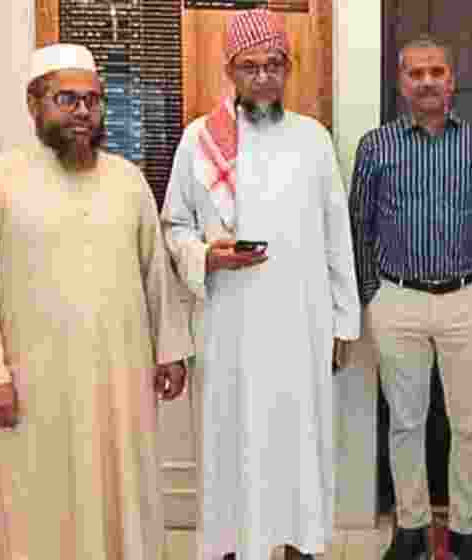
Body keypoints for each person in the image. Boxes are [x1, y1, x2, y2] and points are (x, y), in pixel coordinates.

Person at [0, 43, 193, 560]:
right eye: (67, 99)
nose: (83, 112)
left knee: (124, 495)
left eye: (93, 100)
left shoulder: (128, 182)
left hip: (120, 382)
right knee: (38, 502)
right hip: (31, 387)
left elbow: (156, 275)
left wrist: (170, 348)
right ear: (35, 104)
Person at [160, 8, 360, 560]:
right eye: (251, 67)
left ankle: (296, 545)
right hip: (231, 327)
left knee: (299, 443)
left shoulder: (313, 139)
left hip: (302, 325)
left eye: (274, 64)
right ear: (231, 70)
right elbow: (173, 224)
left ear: (288, 67)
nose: (264, 76)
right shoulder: (200, 140)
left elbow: (335, 235)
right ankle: (232, 547)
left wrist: (344, 322)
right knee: (234, 441)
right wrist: (206, 256)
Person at [349, 36, 472, 560]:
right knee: (405, 421)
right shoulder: (376, 146)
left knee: (470, 424)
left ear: (451, 79)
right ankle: (412, 526)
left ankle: (465, 529)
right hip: (398, 300)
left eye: (436, 71)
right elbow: (359, 225)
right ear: (400, 83)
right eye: (415, 73)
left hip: (467, 298)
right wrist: (373, 293)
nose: (426, 82)